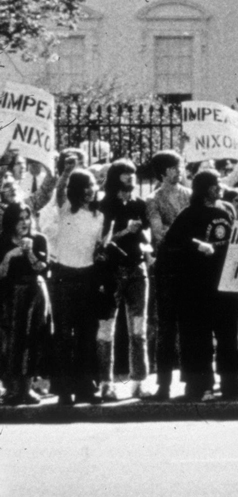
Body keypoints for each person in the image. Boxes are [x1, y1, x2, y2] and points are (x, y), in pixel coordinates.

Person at [159, 169, 238, 400]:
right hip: (196, 287)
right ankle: (198, 386)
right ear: (205, 188)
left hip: (225, 284)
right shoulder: (189, 214)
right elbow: (171, 242)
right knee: (197, 337)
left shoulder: (226, 210)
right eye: (215, 184)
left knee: (228, 337)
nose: (220, 188)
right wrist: (198, 245)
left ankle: (230, 385)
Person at [36, 158, 105, 404]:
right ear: (76, 189)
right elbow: (59, 189)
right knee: (64, 335)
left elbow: (96, 247)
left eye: (93, 185)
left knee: (87, 334)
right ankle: (64, 390)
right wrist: (66, 171)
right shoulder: (65, 208)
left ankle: (86, 387)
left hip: (87, 276)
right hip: (64, 276)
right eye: (85, 185)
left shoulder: (99, 216)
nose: (91, 189)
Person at [95, 159, 152, 400]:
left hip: (137, 269)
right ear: (115, 177)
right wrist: (124, 231)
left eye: (133, 174)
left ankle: (139, 381)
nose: (131, 178)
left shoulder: (140, 203)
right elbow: (99, 241)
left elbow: (146, 233)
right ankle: (105, 383)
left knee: (138, 328)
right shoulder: (104, 204)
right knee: (106, 329)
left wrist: (147, 246)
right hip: (112, 270)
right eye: (125, 174)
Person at [144, 150, 189, 401]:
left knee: (189, 324)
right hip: (167, 267)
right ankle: (164, 384)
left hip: (188, 266)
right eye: (174, 167)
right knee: (166, 326)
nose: (179, 170)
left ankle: (190, 380)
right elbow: (158, 232)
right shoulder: (153, 199)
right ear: (164, 171)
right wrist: (185, 232)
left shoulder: (189, 194)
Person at [0, 202, 50, 405]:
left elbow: (42, 269)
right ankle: (11, 388)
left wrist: (29, 252)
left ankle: (27, 388)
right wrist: (9, 256)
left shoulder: (39, 239)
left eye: (26, 218)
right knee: (9, 341)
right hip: (9, 294)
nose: (24, 222)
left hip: (33, 292)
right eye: (19, 218)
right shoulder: (3, 240)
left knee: (31, 339)